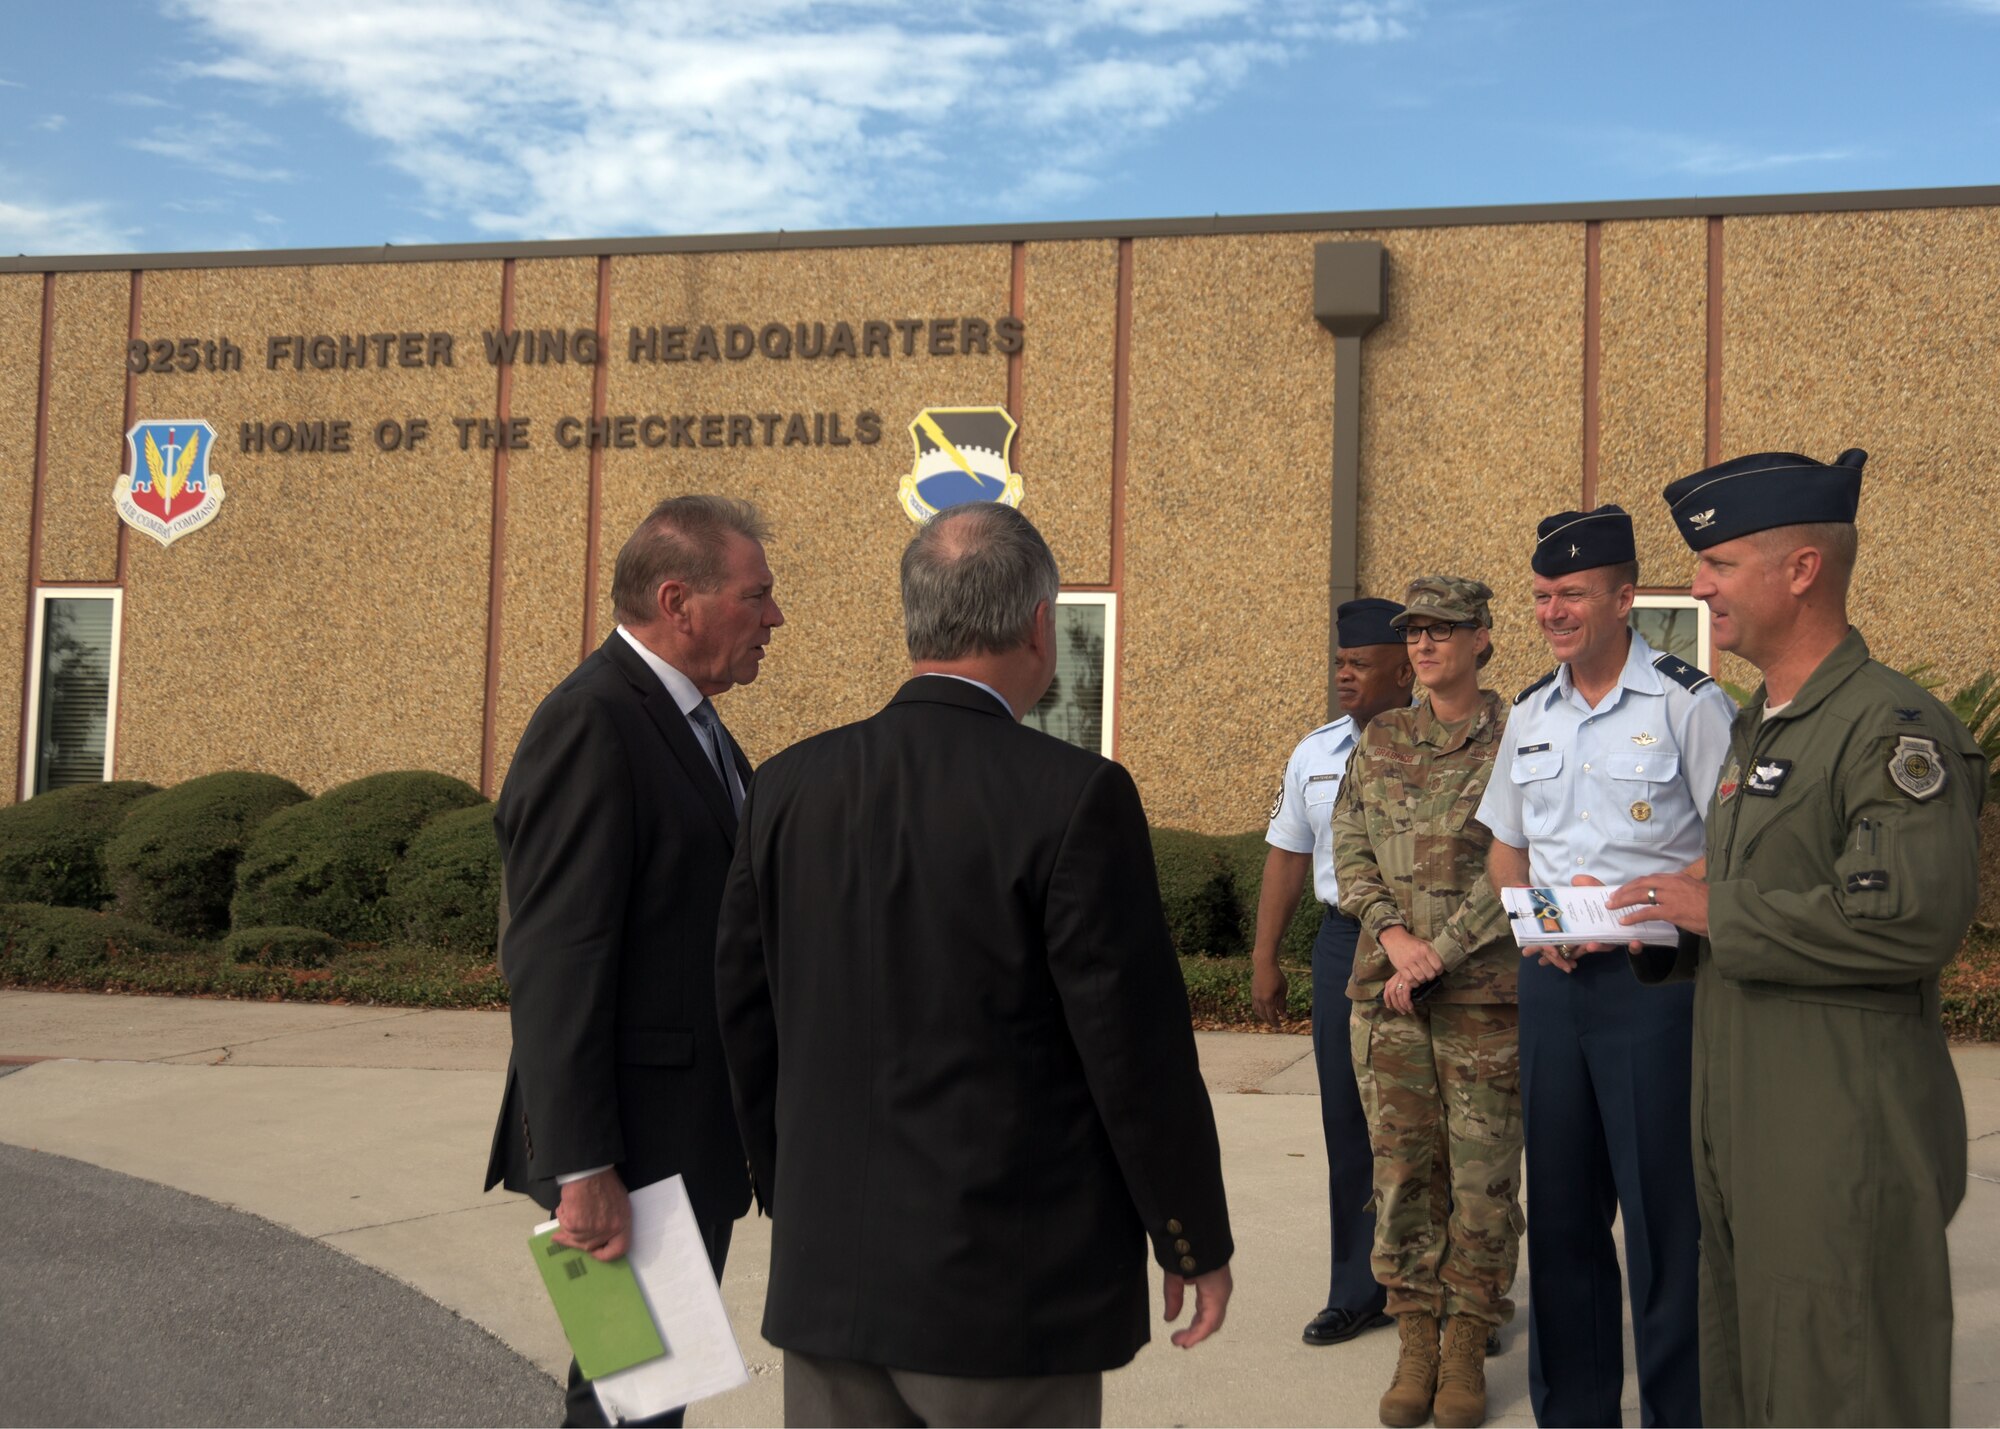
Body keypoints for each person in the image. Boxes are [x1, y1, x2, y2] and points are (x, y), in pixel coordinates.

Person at [716, 503, 1233, 1429]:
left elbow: (747, 1018)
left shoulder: (787, 785)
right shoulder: (1075, 796)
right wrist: (1189, 1232)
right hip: (1004, 1292)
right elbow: (1133, 1051)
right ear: (1041, 625)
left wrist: (796, 1192)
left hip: (829, 1277)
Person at [1605, 449, 1985, 1427]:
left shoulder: (1887, 728)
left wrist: (1713, 908)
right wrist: (1664, 914)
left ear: (1800, 569)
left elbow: (1907, 913)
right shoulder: (1756, 726)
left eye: (1718, 563)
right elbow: (1769, 895)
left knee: (1844, 1390)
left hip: (1837, 1145)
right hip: (1744, 1137)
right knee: (1747, 1384)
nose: (1695, 585)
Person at [484, 494, 782, 1428]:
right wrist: (583, 1166)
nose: (774, 618)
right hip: (630, 1151)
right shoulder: (595, 721)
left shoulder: (697, 728)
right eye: (757, 595)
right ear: (678, 599)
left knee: (649, 1394)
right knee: (627, 1401)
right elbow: (555, 955)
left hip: (687, 1142)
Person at [1475, 505, 1732, 1428]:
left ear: (1625, 598)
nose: (1554, 610)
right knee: (1564, 1223)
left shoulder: (1688, 704)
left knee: (1667, 1227)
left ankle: (1682, 1414)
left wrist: (1660, 895)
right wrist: (1538, 919)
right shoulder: (1532, 713)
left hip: (1655, 995)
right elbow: (1506, 847)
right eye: (1543, 595)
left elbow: (1737, 840)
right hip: (1554, 989)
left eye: (1572, 593)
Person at [1331, 575, 1518, 1429]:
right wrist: (1392, 933)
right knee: (1403, 1170)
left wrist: (1442, 948)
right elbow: (1351, 844)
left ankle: (1467, 1340)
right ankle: (1415, 1336)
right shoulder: (1381, 738)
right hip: (1391, 995)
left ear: (1482, 637)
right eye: (1414, 632)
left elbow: (1524, 859)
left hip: (1483, 997)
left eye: (1444, 629)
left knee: (1481, 1181)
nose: (1424, 644)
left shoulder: (1521, 734)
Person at [1250, 596, 1414, 1349]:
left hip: (1432, 947)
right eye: (1339, 663)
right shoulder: (1315, 752)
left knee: (1437, 1123)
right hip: (1346, 946)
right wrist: (1265, 957)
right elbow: (1287, 857)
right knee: (1348, 1121)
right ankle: (1358, 1288)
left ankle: (1451, 1295)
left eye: (1357, 663)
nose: (1343, 675)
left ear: (1403, 667)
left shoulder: (1461, 744)